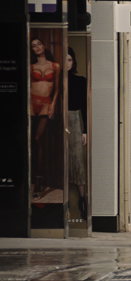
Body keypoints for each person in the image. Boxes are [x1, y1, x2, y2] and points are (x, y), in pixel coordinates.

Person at [30, 37, 60, 201]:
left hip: (45, 104)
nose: (37, 47)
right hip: (32, 102)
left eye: (39, 44)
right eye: (33, 46)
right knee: (30, 141)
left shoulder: (55, 66)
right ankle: (33, 177)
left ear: (44, 45)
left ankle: (39, 180)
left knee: (37, 138)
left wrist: (53, 104)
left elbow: (57, 88)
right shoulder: (31, 67)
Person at [67, 48, 88, 217]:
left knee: (77, 160)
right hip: (57, 119)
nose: (67, 63)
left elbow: (84, 107)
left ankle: (82, 199)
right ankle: (62, 202)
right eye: (64, 60)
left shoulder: (80, 81)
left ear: (73, 62)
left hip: (74, 119)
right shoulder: (56, 80)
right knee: (59, 159)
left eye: (70, 60)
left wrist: (85, 131)